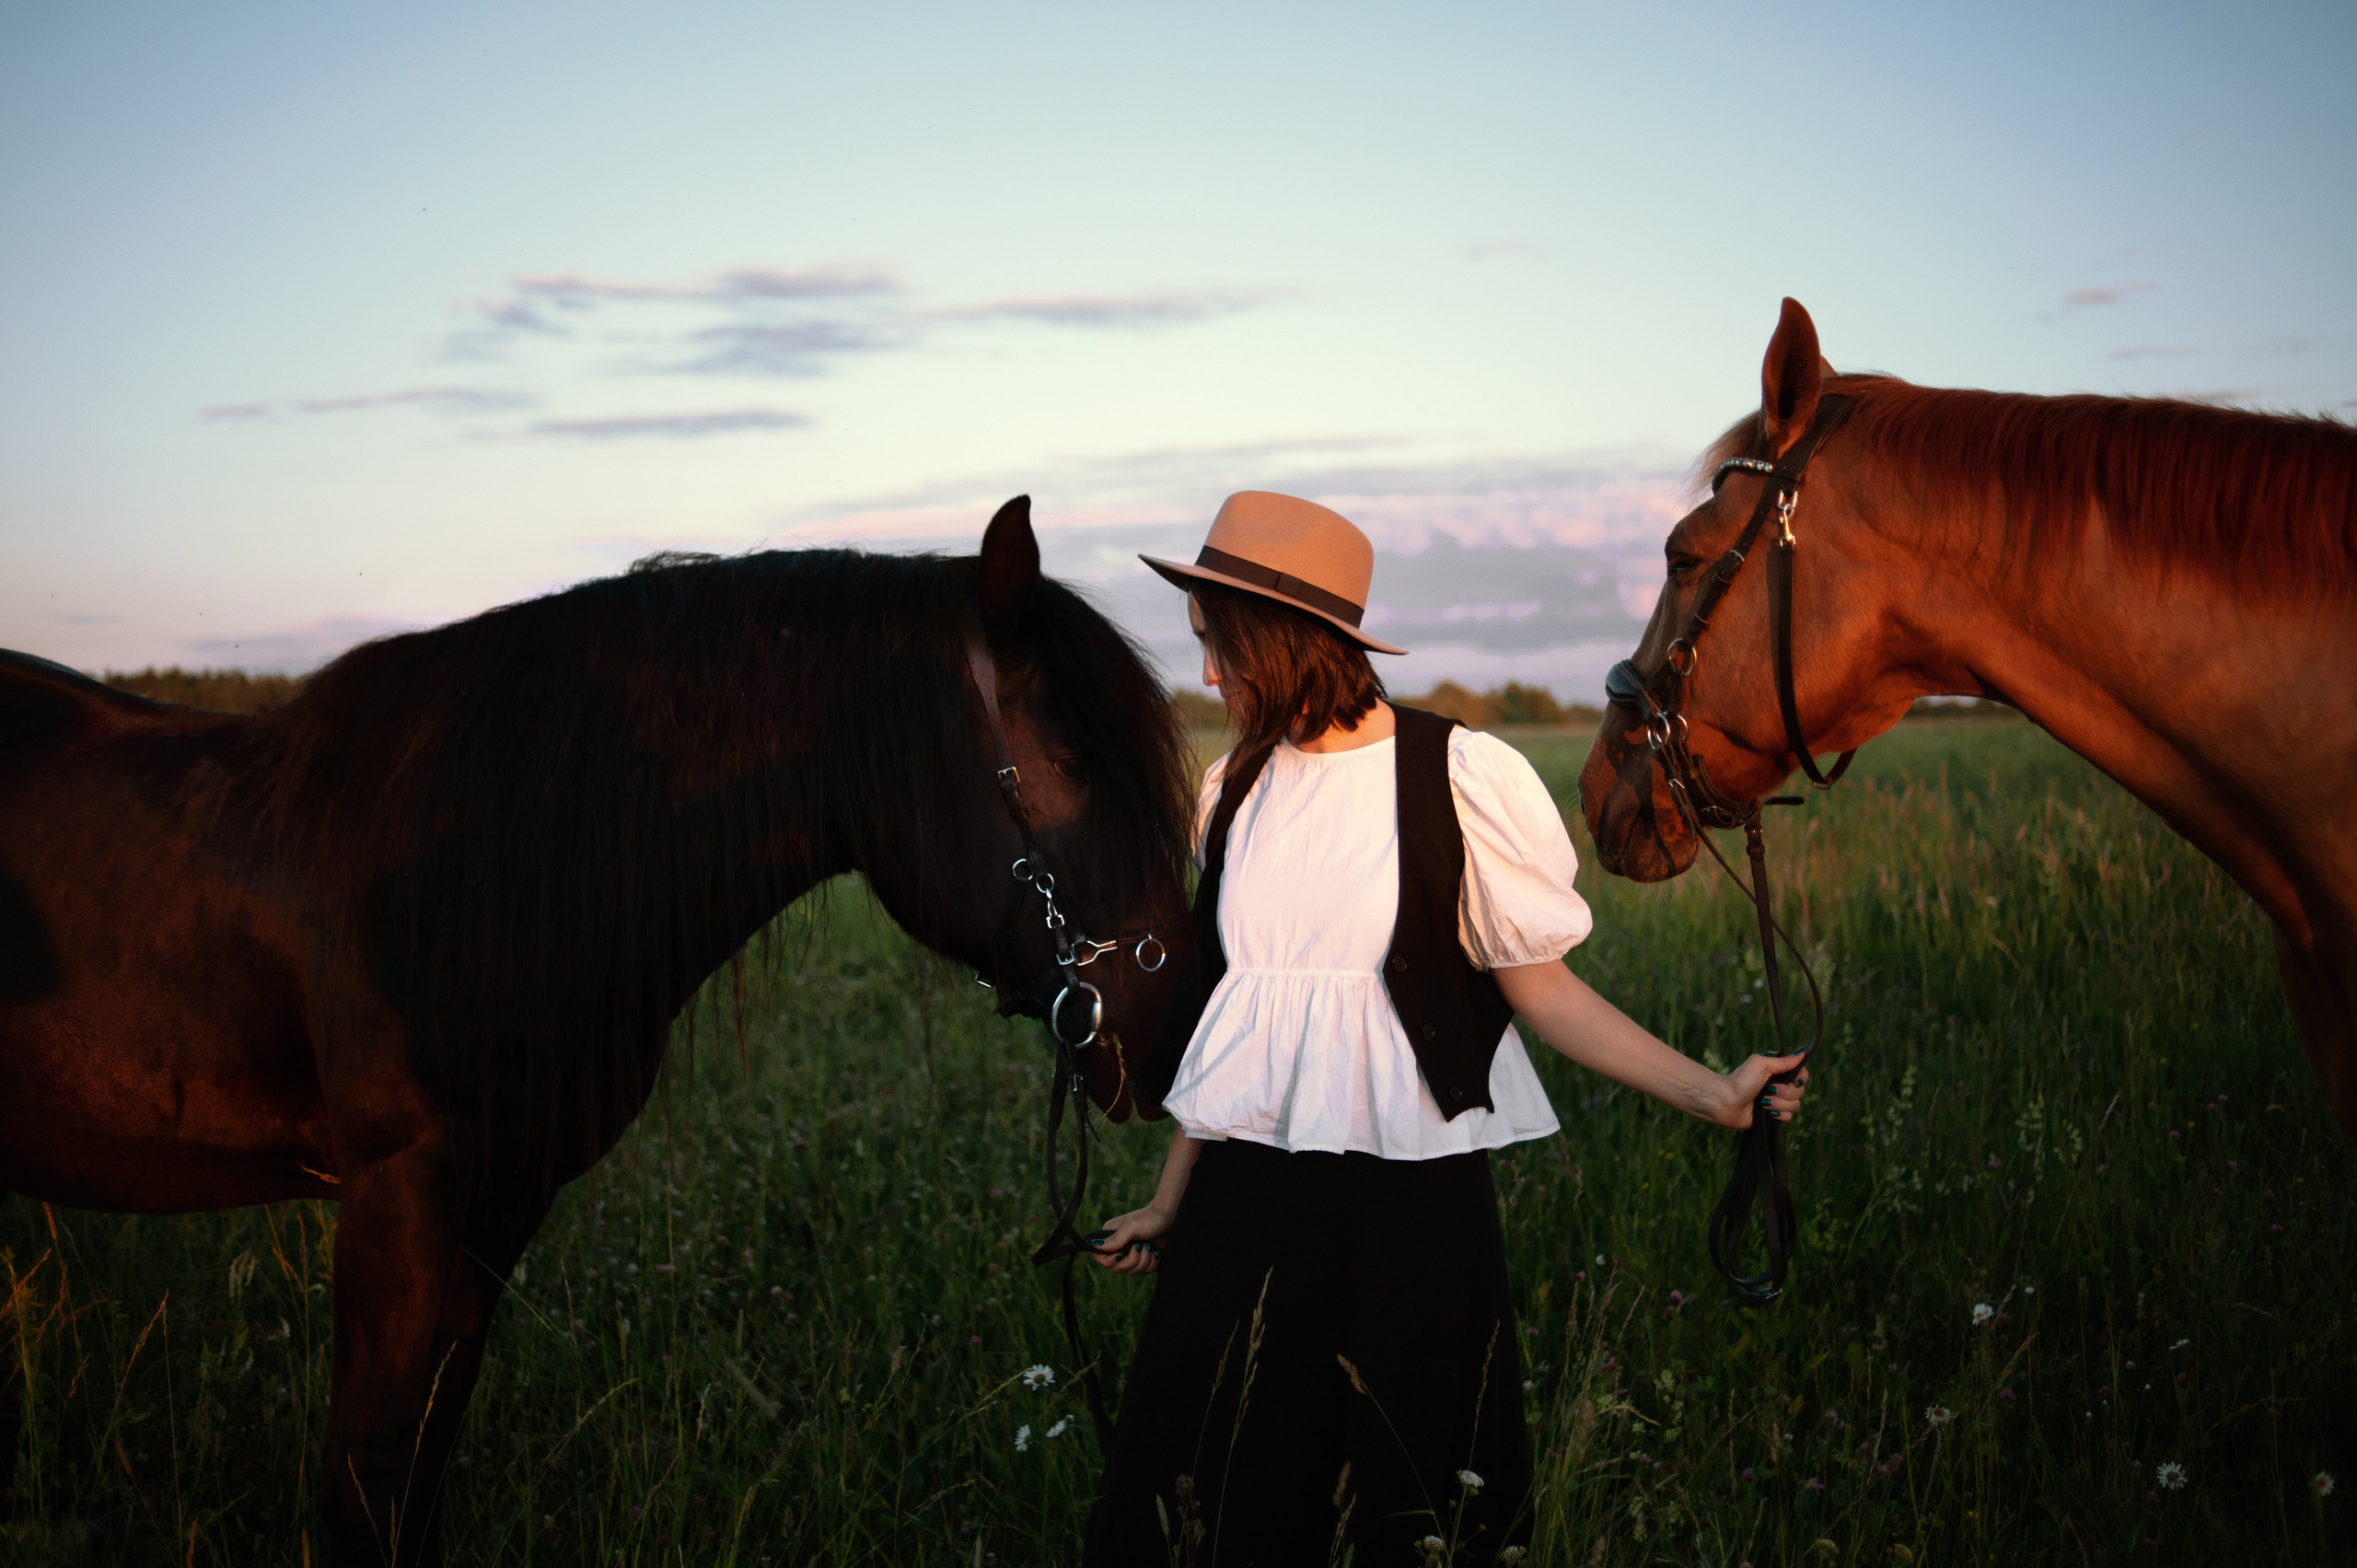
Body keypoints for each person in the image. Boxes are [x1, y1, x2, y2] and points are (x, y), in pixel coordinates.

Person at [1080, 492, 1810, 1566]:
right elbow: (1234, 1033)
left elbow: (1545, 991)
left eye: (1218, 647)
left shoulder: (1457, 776)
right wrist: (1169, 1198)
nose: (1207, 678)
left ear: (1282, 638)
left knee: (1407, 1494)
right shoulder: (1230, 789)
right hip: (1242, 1201)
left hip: (1406, 1200)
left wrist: (1713, 1092)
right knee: (1220, 1482)